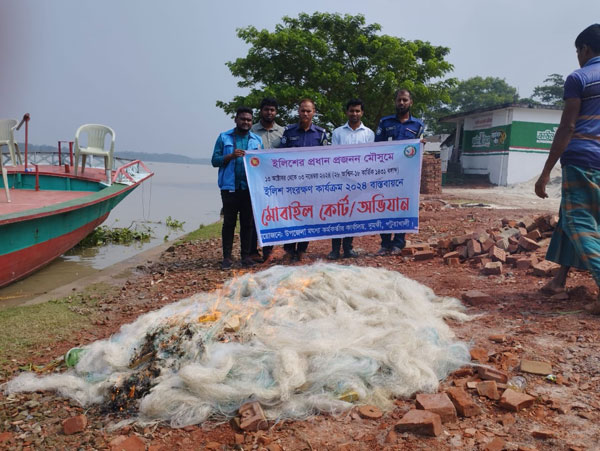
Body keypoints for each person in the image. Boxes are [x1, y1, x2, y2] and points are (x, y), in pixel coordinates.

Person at [535, 24, 600, 313]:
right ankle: (558, 281)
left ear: (585, 49)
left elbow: (567, 126)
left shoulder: (580, 78)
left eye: (578, 51)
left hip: (582, 159)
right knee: (568, 219)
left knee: (580, 223)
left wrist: (546, 171)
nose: (577, 56)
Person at [211, 106, 263, 269]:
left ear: (252, 122)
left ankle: (245, 256)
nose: (245, 122)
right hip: (229, 188)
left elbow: (261, 164)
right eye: (243, 119)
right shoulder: (224, 137)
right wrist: (231, 156)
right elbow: (214, 160)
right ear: (236, 119)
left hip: (249, 188)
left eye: (249, 120)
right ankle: (227, 257)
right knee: (229, 223)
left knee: (247, 224)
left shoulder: (256, 140)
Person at [374, 88, 424, 255]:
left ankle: (399, 242)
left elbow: (418, 149)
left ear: (411, 103)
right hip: (387, 174)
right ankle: (385, 243)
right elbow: (377, 147)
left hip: (406, 175)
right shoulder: (385, 123)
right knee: (385, 207)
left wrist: (420, 145)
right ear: (395, 102)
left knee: (402, 206)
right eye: (399, 100)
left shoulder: (418, 125)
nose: (401, 103)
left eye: (405, 100)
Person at [279, 98, 328, 262]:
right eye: (302, 110)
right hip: (290, 184)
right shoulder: (288, 132)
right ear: (298, 112)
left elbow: (327, 159)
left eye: (309, 111)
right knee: (289, 215)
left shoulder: (321, 134)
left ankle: (302, 249)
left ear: (314, 112)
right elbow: (279, 157)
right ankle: (289, 249)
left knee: (306, 215)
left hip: (310, 185)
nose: (305, 113)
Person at [328, 98, 375, 260]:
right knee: (338, 213)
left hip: (359, 182)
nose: (354, 114)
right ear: (346, 112)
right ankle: (335, 249)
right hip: (340, 181)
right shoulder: (337, 132)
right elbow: (334, 157)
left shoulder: (369, 134)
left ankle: (348, 248)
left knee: (352, 214)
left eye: (357, 111)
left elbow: (370, 158)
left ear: (362, 113)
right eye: (351, 111)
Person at [250, 98, 285, 263]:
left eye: (272, 110)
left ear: (276, 112)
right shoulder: (251, 130)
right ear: (261, 111)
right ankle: (251, 251)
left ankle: (268, 251)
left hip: (274, 182)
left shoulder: (283, 132)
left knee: (270, 215)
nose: (269, 113)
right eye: (266, 109)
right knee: (252, 215)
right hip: (255, 180)